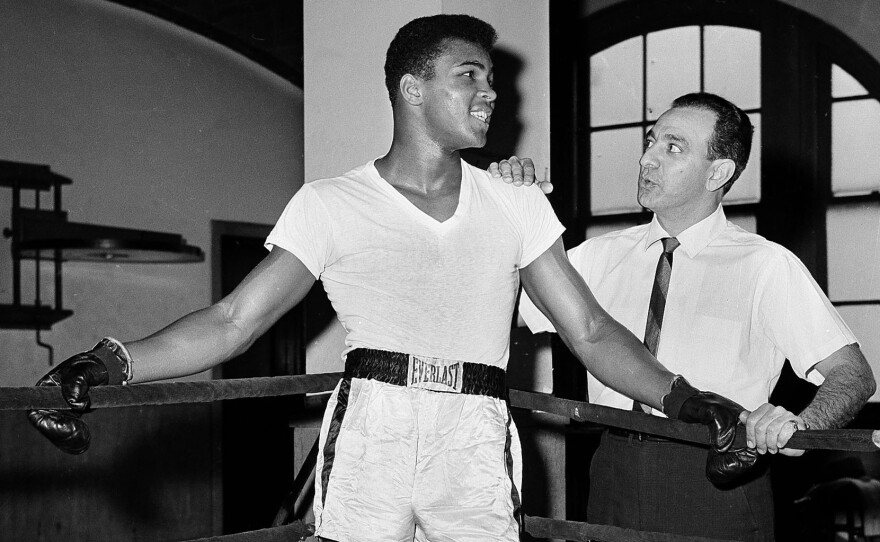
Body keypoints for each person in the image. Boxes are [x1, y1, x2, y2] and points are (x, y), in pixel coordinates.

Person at [26, 18, 755, 542]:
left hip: (475, 429)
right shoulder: (330, 203)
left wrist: (688, 401)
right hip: (373, 421)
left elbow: (589, 331)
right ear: (412, 88)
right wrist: (111, 361)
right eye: (470, 75)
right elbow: (232, 322)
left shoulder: (517, 202)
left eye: (492, 80)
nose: (491, 93)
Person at [497, 92, 876, 542]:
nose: (647, 159)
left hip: (716, 482)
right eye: (651, 141)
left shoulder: (766, 265)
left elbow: (852, 374)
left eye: (672, 147)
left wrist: (802, 425)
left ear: (719, 172)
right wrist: (504, 208)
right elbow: (494, 303)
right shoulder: (597, 257)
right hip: (610, 470)